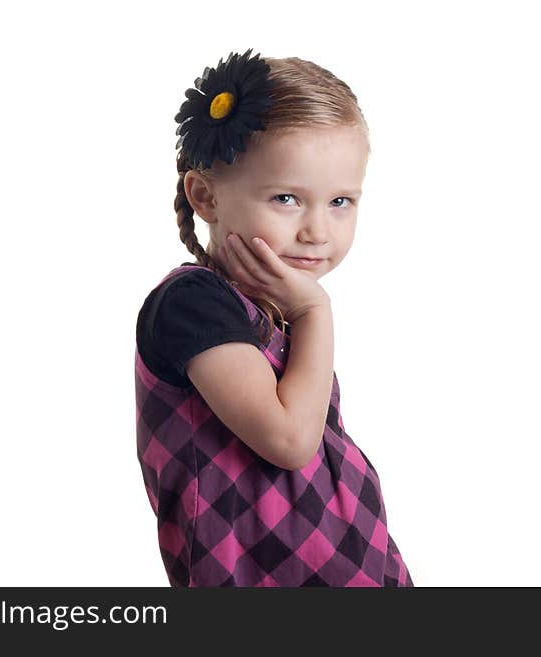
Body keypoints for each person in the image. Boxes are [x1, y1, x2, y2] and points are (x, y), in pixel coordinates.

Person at [135, 49, 413, 587]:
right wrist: (314, 309)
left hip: (361, 569)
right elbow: (288, 439)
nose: (318, 230)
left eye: (340, 201)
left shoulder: (273, 313)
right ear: (205, 196)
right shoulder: (194, 304)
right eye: (287, 198)